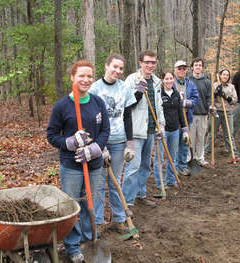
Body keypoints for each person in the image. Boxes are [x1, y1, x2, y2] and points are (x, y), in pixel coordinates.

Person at [47, 60, 110, 263]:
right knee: (73, 206)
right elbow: (52, 135)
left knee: (92, 204)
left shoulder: (98, 102)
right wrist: (71, 141)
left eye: (90, 76)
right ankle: (73, 247)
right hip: (72, 166)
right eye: (81, 75)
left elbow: (105, 131)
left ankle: (89, 239)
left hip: (94, 165)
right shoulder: (62, 106)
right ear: (72, 77)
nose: (86, 79)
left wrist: (95, 148)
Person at [90, 54, 136, 234]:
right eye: (114, 67)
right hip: (101, 141)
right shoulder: (95, 89)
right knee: (100, 183)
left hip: (119, 141)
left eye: (121, 68)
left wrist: (130, 143)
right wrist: (100, 146)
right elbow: (91, 120)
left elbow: (127, 116)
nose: (117, 71)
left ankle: (118, 220)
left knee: (116, 181)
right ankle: (99, 221)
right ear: (106, 66)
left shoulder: (124, 88)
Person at [122, 50, 165, 213]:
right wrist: (138, 93)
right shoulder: (132, 80)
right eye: (147, 62)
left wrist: (161, 125)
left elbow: (158, 106)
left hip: (152, 130)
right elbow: (126, 105)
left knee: (146, 166)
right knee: (133, 167)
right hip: (136, 131)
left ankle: (141, 194)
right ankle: (127, 202)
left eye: (153, 62)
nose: (150, 65)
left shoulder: (156, 81)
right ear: (140, 63)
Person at [153, 70, 187, 188]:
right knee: (160, 157)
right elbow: (156, 112)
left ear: (174, 79)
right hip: (162, 130)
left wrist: (184, 129)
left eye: (171, 78)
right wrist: (157, 127)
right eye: (166, 79)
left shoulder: (176, 94)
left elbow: (180, 112)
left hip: (175, 130)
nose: (169, 81)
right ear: (162, 80)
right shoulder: (159, 94)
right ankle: (160, 183)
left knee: (173, 155)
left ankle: (171, 180)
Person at [204, 68, 240, 158]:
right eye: (224, 74)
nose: (225, 76)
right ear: (220, 75)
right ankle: (206, 151)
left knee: (229, 133)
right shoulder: (214, 85)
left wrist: (226, 96)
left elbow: (235, 100)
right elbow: (209, 99)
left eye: (227, 75)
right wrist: (215, 93)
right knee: (212, 133)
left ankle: (233, 152)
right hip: (215, 112)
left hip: (227, 112)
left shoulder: (231, 87)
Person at [174, 60, 199, 176]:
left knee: (184, 143)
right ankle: (173, 167)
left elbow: (196, 98)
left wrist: (187, 103)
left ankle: (182, 166)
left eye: (184, 69)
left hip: (186, 119)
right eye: (179, 68)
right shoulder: (171, 82)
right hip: (173, 119)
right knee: (173, 144)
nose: (182, 71)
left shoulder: (190, 84)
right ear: (175, 70)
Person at [188, 57, 212, 167]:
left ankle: (200, 157)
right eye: (196, 65)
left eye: (200, 65)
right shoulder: (188, 80)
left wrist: (209, 107)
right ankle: (190, 158)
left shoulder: (207, 81)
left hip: (203, 113)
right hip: (190, 114)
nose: (198, 67)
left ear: (202, 67)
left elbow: (208, 97)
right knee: (191, 138)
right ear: (192, 67)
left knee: (201, 137)